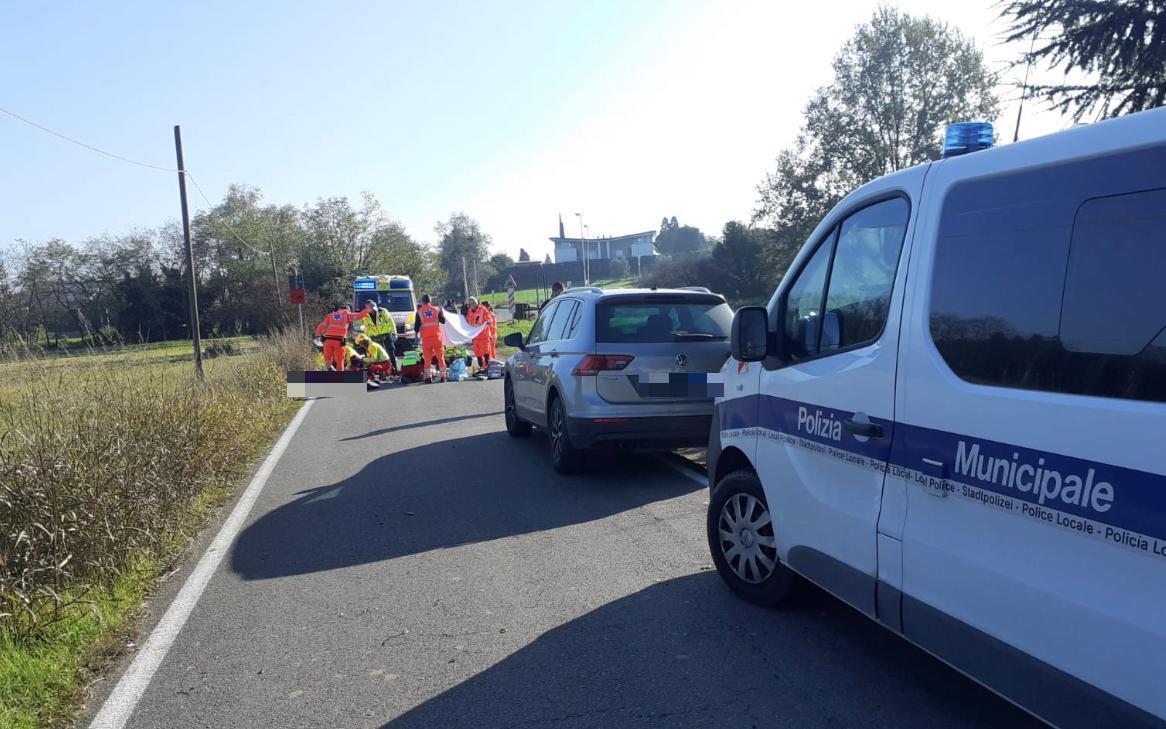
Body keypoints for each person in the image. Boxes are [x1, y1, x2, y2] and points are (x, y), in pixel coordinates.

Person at [315, 301, 375, 371]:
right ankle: (339, 378)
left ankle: (329, 367)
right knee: (340, 360)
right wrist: (367, 310)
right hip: (339, 341)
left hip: (327, 340)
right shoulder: (347, 314)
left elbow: (321, 326)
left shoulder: (331, 315)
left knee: (328, 359)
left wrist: (317, 335)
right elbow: (359, 316)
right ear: (348, 310)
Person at [414, 294, 448, 382]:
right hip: (437, 338)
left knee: (427, 359)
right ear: (430, 301)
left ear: (423, 301)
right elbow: (443, 321)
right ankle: (443, 376)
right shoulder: (437, 310)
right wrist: (442, 313)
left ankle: (428, 377)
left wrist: (416, 336)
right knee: (440, 358)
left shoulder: (419, 312)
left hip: (426, 339)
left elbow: (416, 327)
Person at [365, 301, 399, 374]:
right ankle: (384, 372)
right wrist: (367, 338)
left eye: (372, 307)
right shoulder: (366, 315)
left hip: (386, 335)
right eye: (369, 308)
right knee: (380, 355)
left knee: (391, 353)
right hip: (375, 337)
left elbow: (391, 321)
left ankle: (395, 370)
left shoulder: (383, 311)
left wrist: (394, 333)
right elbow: (367, 328)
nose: (372, 310)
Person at [464, 297, 493, 372]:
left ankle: (488, 368)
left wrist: (488, 322)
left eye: (470, 304)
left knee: (486, 353)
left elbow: (489, 318)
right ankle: (482, 367)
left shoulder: (482, 309)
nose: (469, 306)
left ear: (474, 304)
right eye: (469, 305)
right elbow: (468, 322)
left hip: (483, 335)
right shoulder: (470, 311)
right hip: (475, 337)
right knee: (478, 354)